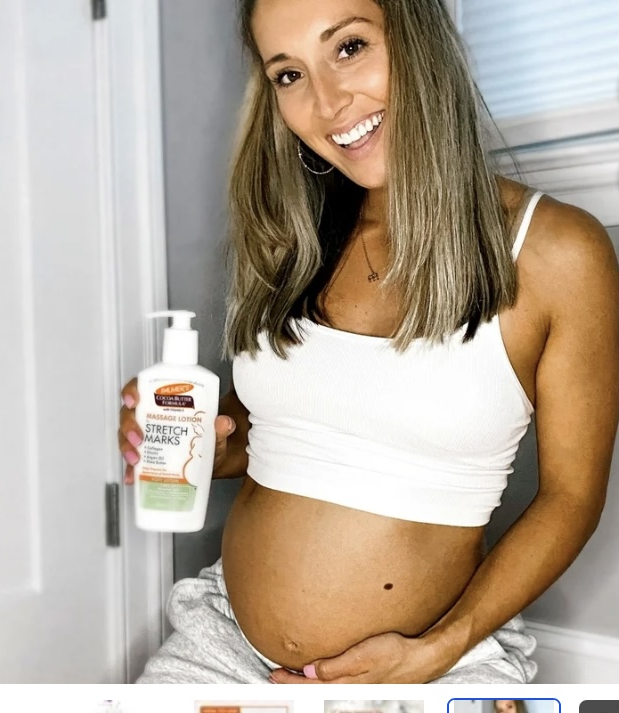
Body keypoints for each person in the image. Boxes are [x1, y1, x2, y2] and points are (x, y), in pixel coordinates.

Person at [119, 0, 619, 684]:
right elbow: (268, 430)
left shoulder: (558, 252)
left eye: (349, 48)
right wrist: (197, 441)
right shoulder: (290, 238)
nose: (327, 102)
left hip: (436, 665)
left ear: (416, 38)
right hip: (222, 646)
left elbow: (571, 499)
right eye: (289, 74)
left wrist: (436, 650)